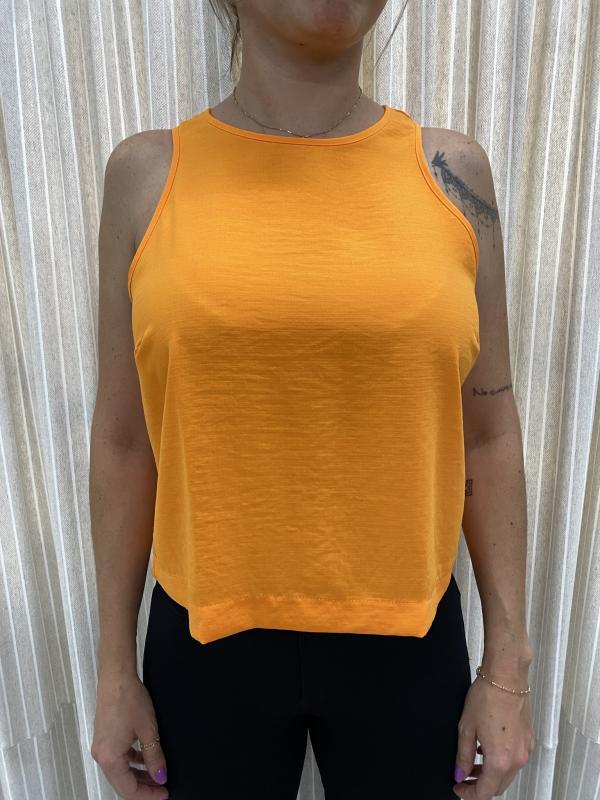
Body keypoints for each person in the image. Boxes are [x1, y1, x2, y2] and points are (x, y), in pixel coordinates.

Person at [90, 1, 535, 798]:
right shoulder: (148, 175)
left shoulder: (452, 174)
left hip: (408, 644)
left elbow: (488, 432)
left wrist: (508, 667)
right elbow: (125, 441)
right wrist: (113, 669)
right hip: (206, 644)